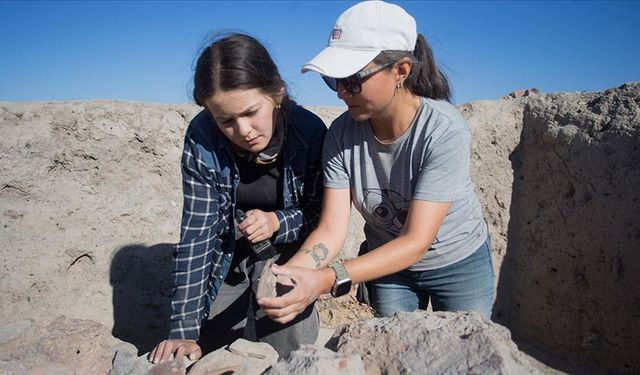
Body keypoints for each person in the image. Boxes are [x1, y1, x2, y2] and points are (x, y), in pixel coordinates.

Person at [258, 0, 495, 325]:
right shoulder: (341, 135)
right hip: (387, 267)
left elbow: (414, 242)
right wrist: (294, 273)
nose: (341, 92)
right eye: (334, 80)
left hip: (457, 264)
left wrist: (326, 279)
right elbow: (331, 228)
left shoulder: (443, 131)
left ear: (401, 70)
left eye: (353, 79)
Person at [148, 33, 326, 364]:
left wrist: (278, 222)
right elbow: (199, 233)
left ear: (277, 92)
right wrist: (183, 329)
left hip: (289, 251)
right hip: (228, 251)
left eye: (250, 112)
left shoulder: (310, 132)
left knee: (285, 336)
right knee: (213, 342)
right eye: (226, 120)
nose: (243, 130)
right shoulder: (202, 138)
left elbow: (322, 216)